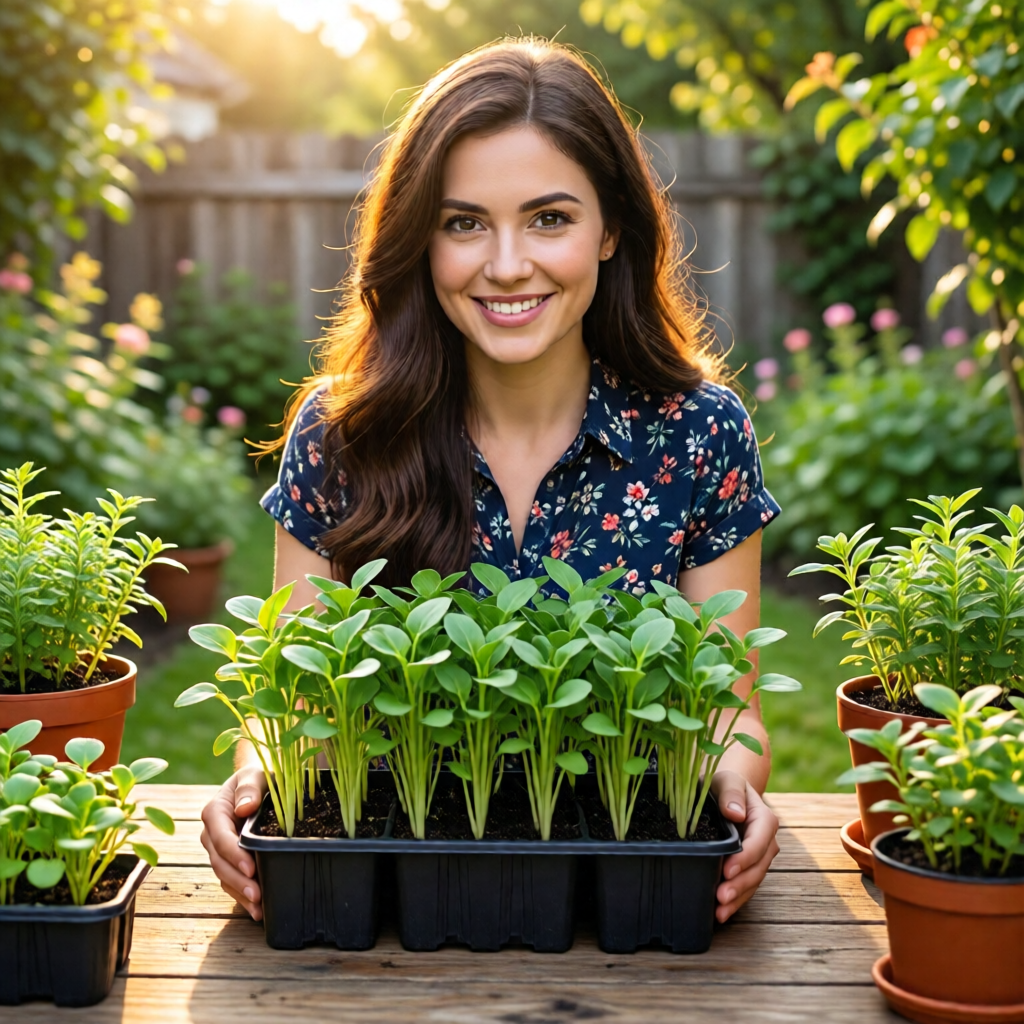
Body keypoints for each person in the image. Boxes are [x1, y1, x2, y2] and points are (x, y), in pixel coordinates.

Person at [200, 38, 782, 927]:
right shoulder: (343, 433)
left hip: (624, 915)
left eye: (549, 218)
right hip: (387, 920)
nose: (507, 264)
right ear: (420, 239)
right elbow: (300, 699)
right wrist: (253, 783)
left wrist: (737, 796)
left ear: (612, 227)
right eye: (464, 222)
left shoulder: (699, 433)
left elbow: (726, 714)